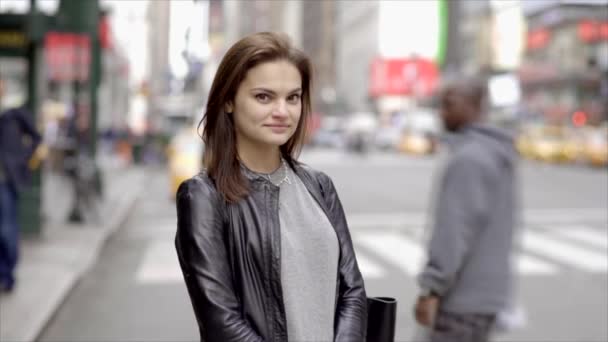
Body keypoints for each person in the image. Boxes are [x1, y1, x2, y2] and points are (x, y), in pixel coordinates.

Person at [174, 32, 367, 342]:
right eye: (264, 97)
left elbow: (352, 291)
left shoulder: (320, 186)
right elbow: (221, 320)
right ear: (227, 100)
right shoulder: (203, 197)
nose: (283, 111)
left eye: (293, 97)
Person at [414, 78, 519, 342]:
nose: (442, 112)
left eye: (449, 104)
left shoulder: (469, 159)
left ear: (473, 106)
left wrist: (432, 289)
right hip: (487, 298)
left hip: (461, 301)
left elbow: (454, 231)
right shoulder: (497, 153)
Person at [0, 75, 42, 293]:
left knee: (6, 230)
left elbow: (36, 137)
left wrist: (22, 159)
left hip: (6, 181)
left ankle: (7, 274)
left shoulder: (12, 115)